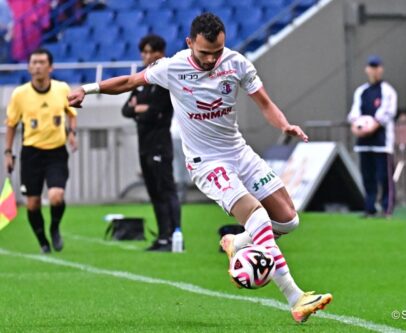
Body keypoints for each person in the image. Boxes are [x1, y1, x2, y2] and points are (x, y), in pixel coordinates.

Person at [68, 12, 331, 323]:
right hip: (206, 163)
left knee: (288, 220)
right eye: (205, 52)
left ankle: (238, 242)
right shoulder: (172, 66)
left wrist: (285, 125)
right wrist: (88, 88)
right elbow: (128, 81)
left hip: (238, 152)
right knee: (257, 215)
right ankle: (295, 297)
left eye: (217, 52)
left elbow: (264, 103)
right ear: (189, 43)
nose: (211, 59)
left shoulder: (237, 64)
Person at [4, 48, 77, 253]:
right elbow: (11, 124)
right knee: (33, 204)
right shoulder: (20, 94)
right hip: (31, 154)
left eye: (41, 62)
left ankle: (54, 227)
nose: (37, 66)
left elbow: (72, 113)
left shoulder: (62, 89)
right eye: (33, 62)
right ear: (28, 67)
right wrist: (8, 153)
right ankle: (42, 240)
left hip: (56, 152)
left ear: (50, 67)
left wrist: (72, 133)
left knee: (56, 196)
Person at [121, 34, 181, 252]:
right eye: (143, 52)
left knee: (166, 190)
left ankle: (175, 236)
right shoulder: (143, 82)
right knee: (154, 192)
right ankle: (163, 236)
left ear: (160, 53)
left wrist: (140, 109)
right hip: (144, 145)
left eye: (149, 52)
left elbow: (157, 112)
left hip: (159, 144)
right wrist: (140, 109)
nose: (146, 56)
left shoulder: (164, 81)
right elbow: (126, 109)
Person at [347, 55, 397, 217]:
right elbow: (354, 113)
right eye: (371, 67)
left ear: (381, 69)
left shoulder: (387, 90)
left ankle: (387, 208)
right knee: (367, 176)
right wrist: (356, 127)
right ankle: (369, 207)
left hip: (382, 142)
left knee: (384, 177)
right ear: (367, 69)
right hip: (364, 142)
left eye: (377, 67)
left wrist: (373, 126)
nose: (374, 71)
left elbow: (388, 112)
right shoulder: (361, 91)